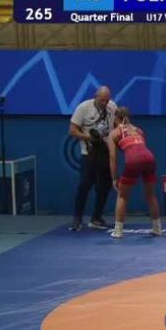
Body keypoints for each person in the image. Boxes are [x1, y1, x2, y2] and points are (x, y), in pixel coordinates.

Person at [105, 107, 162, 239]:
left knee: (122, 196)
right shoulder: (138, 130)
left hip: (134, 159)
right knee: (150, 195)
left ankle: (118, 231)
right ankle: (157, 229)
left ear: (115, 118)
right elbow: (140, 147)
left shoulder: (113, 134)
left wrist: (114, 178)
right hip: (149, 157)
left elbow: (113, 157)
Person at [68, 85, 117, 231]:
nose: (105, 103)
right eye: (102, 100)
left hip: (105, 150)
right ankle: (77, 219)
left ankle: (96, 218)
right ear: (95, 97)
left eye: (107, 100)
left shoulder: (112, 107)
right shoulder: (83, 108)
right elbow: (72, 130)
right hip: (89, 151)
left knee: (104, 186)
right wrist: (88, 137)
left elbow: (116, 126)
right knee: (84, 184)